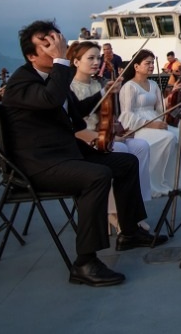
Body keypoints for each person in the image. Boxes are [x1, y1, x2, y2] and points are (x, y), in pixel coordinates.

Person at [2, 20, 163, 287]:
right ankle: (85, 262)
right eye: (47, 44)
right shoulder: (22, 81)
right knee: (96, 175)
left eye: (57, 40)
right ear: (31, 56)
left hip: (64, 154)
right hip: (38, 164)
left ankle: (130, 231)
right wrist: (61, 62)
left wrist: (103, 93)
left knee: (126, 161)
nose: (57, 47)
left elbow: (73, 114)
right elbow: (50, 100)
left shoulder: (54, 78)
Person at [66, 41, 154, 227]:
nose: (96, 62)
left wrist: (116, 131)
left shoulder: (101, 84)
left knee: (141, 146)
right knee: (121, 150)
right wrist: (107, 138)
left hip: (104, 135)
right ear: (75, 62)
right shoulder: (70, 88)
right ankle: (114, 212)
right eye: (90, 58)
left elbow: (109, 117)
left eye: (98, 58)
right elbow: (74, 126)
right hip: (85, 140)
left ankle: (136, 205)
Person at [118, 50, 178, 198]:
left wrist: (171, 97)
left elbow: (159, 108)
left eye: (152, 62)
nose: (151, 66)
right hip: (137, 126)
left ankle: (171, 180)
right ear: (136, 66)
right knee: (168, 137)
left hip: (155, 121)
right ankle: (152, 184)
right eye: (147, 63)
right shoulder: (129, 86)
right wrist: (151, 124)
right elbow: (127, 114)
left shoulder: (153, 84)